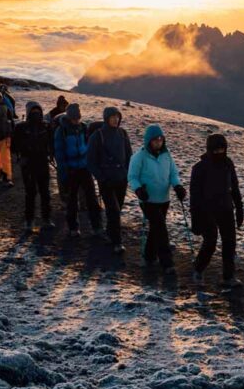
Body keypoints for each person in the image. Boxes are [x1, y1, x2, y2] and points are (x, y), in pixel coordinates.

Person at [189, 132, 244, 287]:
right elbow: (195, 196)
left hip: (226, 208)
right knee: (210, 242)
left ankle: (229, 276)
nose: (220, 153)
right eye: (216, 150)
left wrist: (239, 208)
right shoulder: (199, 168)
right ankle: (198, 270)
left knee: (230, 243)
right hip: (207, 211)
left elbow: (235, 187)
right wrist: (195, 219)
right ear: (209, 149)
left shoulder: (228, 164)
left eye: (222, 150)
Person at [127, 123, 185, 271]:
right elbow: (132, 177)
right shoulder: (139, 157)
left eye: (160, 139)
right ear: (148, 141)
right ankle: (167, 263)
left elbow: (173, 174)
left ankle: (149, 257)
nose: (158, 142)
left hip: (164, 199)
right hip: (148, 200)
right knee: (160, 228)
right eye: (155, 139)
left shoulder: (167, 155)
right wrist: (139, 190)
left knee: (155, 229)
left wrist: (177, 186)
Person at [87, 107, 133, 254]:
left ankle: (110, 233)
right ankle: (117, 242)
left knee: (117, 209)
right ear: (106, 118)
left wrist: (127, 173)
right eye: (113, 117)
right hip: (106, 181)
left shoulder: (123, 133)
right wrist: (102, 178)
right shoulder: (97, 136)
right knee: (113, 210)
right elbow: (91, 161)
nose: (116, 119)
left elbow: (129, 155)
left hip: (121, 179)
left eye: (117, 116)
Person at [53, 103, 103, 237]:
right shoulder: (61, 131)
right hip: (71, 169)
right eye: (74, 118)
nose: (76, 120)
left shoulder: (83, 128)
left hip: (84, 168)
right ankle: (73, 228)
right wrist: (64, 172)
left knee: (91, 199)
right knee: (72, 200)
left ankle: (97, 226)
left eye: (78, 118)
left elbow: (88, 147)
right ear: (69, 117)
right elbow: (59, 153)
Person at [12, 101, 54, 230]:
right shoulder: (21, 128)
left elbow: (51, 143)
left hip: (42, 162)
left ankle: (46, 218)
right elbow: (13, 146)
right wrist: (21, 157)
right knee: (30, 193)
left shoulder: (46, 127)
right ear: (29, 112)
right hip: (28, 164)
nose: (36, 114)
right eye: (34, 111)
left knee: (45, 192)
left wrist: (51, 154)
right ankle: (29, 220)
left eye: (38, 111)